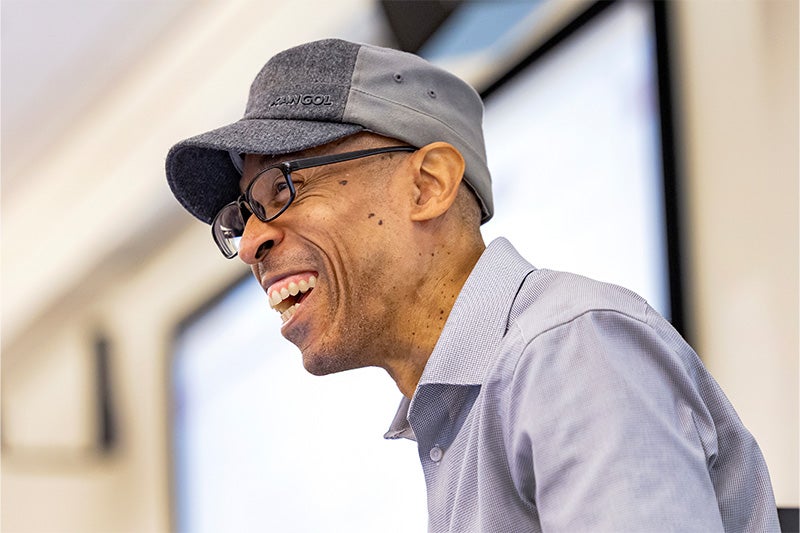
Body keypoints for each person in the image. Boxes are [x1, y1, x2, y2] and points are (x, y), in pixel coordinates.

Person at [166, 38, 779, 532]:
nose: (250, 242)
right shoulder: (459, 416)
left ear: (428, 185)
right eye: (241, 216)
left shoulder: (566, 351)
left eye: (282, 188)